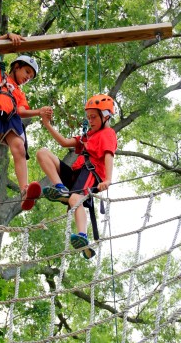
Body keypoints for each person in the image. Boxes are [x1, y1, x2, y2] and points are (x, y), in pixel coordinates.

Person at [0, 32, 53, 216]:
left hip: (11, 117)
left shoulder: (19, 93)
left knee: (19, 148)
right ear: (16, 66)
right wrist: (7, 37)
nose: (28, 78)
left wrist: (39, 111)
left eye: (31, 77)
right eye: (27, 72)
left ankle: (24, 190)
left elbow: (22, 110)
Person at [36, 94, 117, 259]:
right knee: (42, 153)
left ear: (106, 116)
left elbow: (109, 155)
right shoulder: (88, 136)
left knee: (75, 200)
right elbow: (64, 142)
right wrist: (47, 124)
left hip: (90, 172)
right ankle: (60, 188)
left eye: (94, 117)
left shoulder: (107, 133)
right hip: (75, 173)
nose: (91, 120)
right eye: (88, 117)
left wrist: (108, 179)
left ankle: (82, 235)